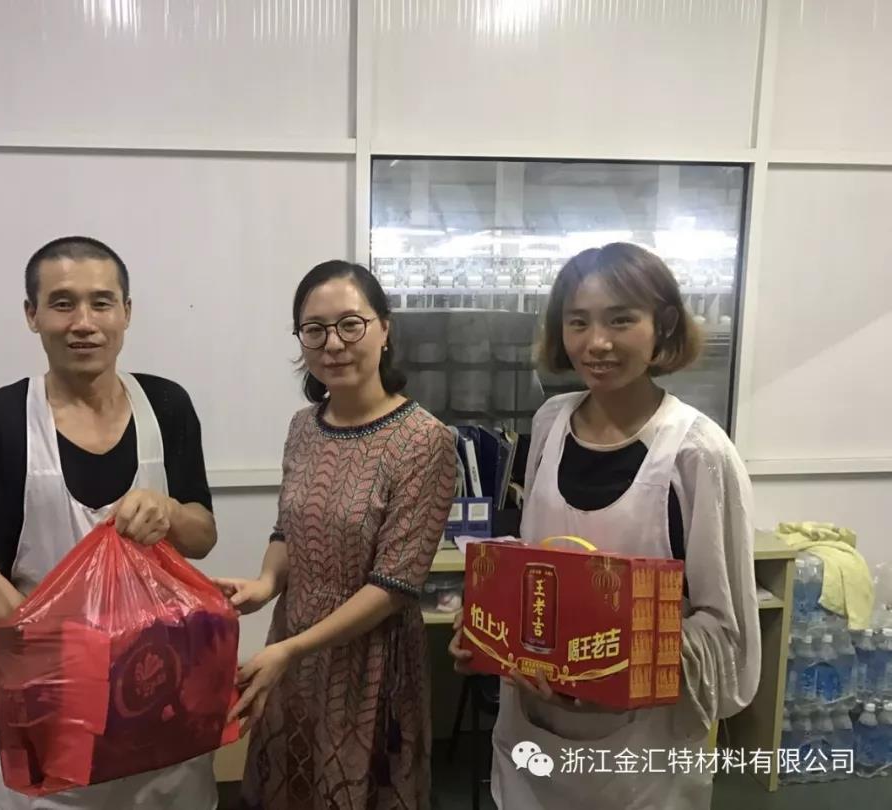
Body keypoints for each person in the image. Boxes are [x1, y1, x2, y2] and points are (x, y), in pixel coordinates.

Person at [449, 243, 760, 810]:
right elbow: (540, 563)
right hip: (534, 743)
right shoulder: (551, 423)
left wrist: (608, 671)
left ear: (663, 325)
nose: (597, 342)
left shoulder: (697, 453)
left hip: (642, 761)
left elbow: (727, 637)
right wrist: (489, 628)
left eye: (621, 320)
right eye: (578, 322)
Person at [0, 236, 219, 810]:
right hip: (51, 696)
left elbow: (203, 536)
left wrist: (168, 513)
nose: (83, 322)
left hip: (159, 687)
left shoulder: (167, 407)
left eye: (101, 302)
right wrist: (66, 659)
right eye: (62, 303)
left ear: (126, 312)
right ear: (32, 315)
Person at [215, 260, 456, 810]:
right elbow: (288, 527)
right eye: (315, 329)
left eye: (351, 324)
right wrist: (265, 584)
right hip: (293, 648)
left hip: (369, 663)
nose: (333, 344)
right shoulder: (304, 427)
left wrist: (292, 649)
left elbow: (394, 585)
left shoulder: (424, 441)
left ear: (385, 328)